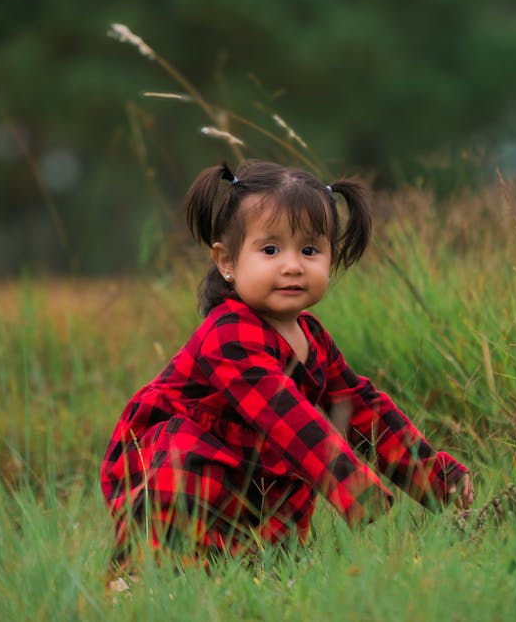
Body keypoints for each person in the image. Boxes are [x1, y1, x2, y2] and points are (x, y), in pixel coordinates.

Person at [101, 160, 473, 564]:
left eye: (310, 250)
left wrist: (436, 479)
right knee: (186, 459)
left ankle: (254, 571)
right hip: (174, 465)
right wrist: (350, 483)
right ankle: (142, 576)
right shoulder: (229, 334)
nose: (293, 265)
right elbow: (285, 414)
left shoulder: (313, 339)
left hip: (248, 469)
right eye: (270, 249)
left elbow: (363, 411)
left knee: (270, 553)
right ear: (226, 261)